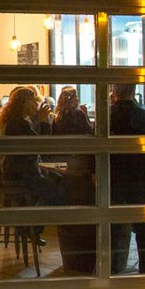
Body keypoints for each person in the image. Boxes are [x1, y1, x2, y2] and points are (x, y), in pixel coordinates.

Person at [108, 84, 145, 274]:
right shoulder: (143, 115)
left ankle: (112, 266)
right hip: (139, 174)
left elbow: (93, 149)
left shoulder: (108, 115)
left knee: (112, 221)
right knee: (142, 224)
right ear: (133, 92)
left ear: (114, 92)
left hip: (113, 174)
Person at [51, 86, 96, 274]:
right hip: (79, 166)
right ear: (73, 99)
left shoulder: (57, 117)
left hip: (63, 166)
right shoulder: (79, 115)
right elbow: (89, 137)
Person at [0, 87, 62, 211]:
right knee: (59, 187)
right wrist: (44, 122)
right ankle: (37, 219)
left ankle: (37, 212)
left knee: (58, 175)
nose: (37, 104)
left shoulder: (14, 120)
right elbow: (41, 147)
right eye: (34, 101)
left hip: (15, 170)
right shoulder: (19, 123)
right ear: (25, 103)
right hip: (22, 173)